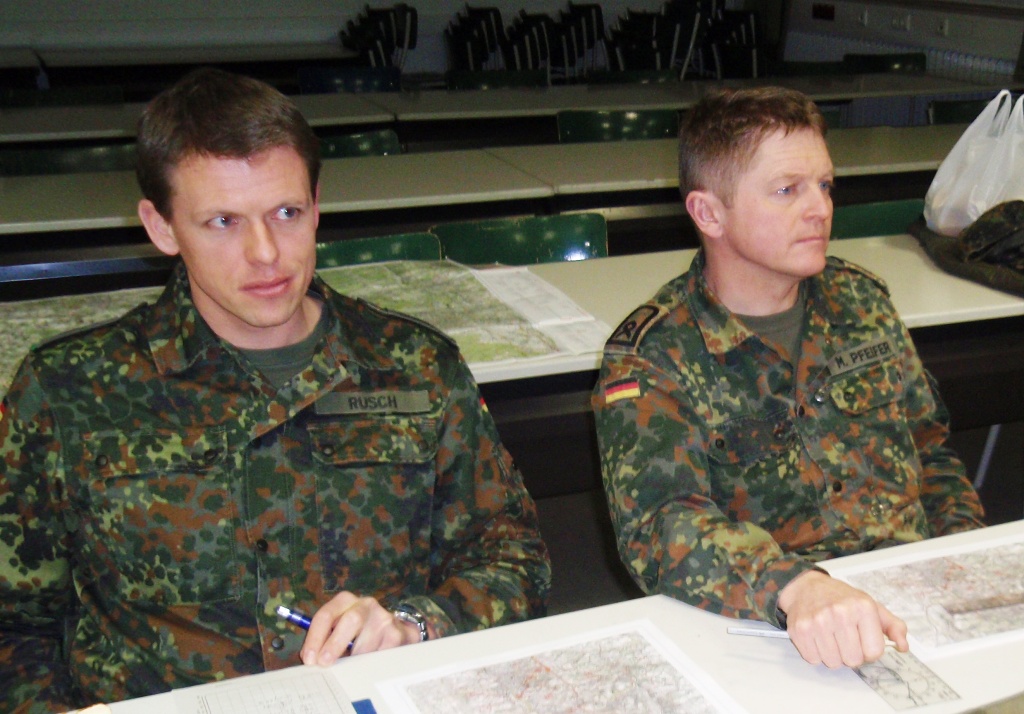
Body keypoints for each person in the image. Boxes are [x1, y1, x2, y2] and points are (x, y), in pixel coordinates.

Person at [0, 67, 550, 711]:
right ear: (162, 227)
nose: (265, 253)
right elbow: (14, 625)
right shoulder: (69, 391)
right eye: (223, 221)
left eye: (287, 213)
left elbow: (515, 560)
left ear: (317, 204)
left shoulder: (416, 366)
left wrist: (415, 625)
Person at [592, 86, 985, 670]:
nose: (820, 208)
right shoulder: (654, 355)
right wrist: (796, 587)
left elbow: (929, 448)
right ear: (709, 213)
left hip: (914, 598)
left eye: (825, 185)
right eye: (787, 190)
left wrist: (966, 554)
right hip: (772, 622)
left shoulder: (861, 302)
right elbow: (660, 524)